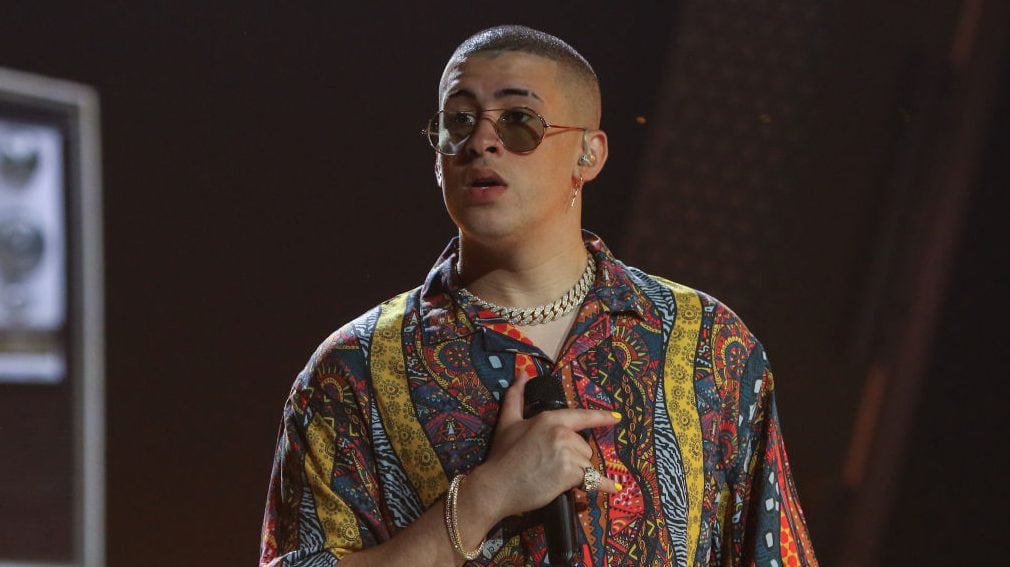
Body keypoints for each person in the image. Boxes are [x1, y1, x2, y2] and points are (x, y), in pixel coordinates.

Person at [260, 25, 818, 567]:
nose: (482, 140)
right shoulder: (353, 370)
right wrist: (484, 498)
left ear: (589, 155)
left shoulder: (708, 343)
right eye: (459, 121)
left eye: (519, 120)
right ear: (438, 156)